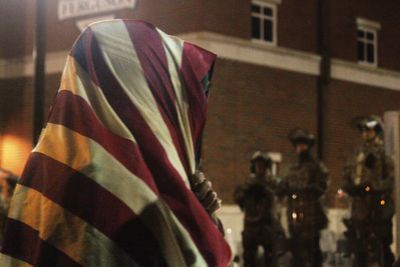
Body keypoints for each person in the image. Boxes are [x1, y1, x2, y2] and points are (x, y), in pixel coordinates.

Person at [0, 20, 231, 266]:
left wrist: (198, 216)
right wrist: (198, 223)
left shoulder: (45, 167)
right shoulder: (132, 189)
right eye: (167, 92)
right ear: (139, 92)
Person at [342, 115, 394, 267]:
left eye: (369, 130)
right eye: (363, 131)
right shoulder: (357, 153)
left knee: (381, 245)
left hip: (377, 205)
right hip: (358, 206)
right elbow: (348, 174)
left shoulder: (383, 152)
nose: (365, 134)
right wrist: (349, 187)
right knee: (359, 246)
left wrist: (373, 186)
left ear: (376, 132)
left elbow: (392, 179)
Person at [280, 129, 328, 267]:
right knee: (296, 253)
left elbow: (323, 185)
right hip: (294, 217)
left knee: (313, 252)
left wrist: (310, 189)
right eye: (298, 145)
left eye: (304, 145)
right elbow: (282, 186)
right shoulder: (291, 168)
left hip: (311, 217)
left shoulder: (316, 166)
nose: (301, 148)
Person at [234, 151, 286, 267]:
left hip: (267, 225)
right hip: (251, 226)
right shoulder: (248, 182)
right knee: (249, 258)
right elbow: (240, 199)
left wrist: (266, 191)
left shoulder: (273, 182)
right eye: (257, 165)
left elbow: (280, 194)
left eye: (262, 165)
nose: (259, 168)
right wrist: (246, 193)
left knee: (271, 258)